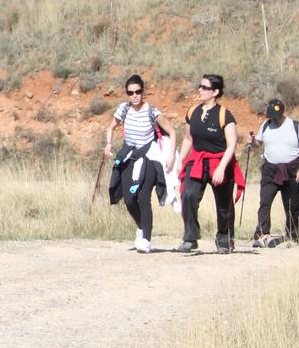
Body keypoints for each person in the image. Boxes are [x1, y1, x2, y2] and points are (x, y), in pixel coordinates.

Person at [174, 74, 245, 253]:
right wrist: (180, 160)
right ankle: (190, 237)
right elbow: (188, 139)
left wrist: (221, 168)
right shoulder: (192, 111)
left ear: (215, 92)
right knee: (188, 195)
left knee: (224, 205)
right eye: (200, 86)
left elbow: (232, 145)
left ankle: (225, 239)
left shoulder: (224, 115)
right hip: (197, 160)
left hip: (220, 162)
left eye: (205, 88)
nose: (200, 90)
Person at [104, 74, 172, 253]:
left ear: (143, 92)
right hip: (129, 155)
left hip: (149, 156)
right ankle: (141, 228)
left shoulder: (152, 111)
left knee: (143, 197)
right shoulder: (123, 109)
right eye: (130, 92)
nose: (134, 95)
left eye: (138, 91)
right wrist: (109, 144)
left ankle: (147, 240)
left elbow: (171, 131)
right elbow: (111, 127)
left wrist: (171, 155)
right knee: (129, 199)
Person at [247, 99, 299, 247]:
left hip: (292, 170)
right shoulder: (266, 125)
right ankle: (264, 234)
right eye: (271, 116)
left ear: (282, 113)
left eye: (276, 115)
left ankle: (293, 235)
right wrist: (252, 142)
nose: (273, 118)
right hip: (270, 170)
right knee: (265, 202)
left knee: (292, 205)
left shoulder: (295, 126)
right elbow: (258, 143)